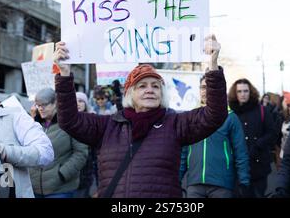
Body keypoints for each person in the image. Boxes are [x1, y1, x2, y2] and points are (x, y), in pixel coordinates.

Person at [53, 34, 227, 198]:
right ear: (130, 93)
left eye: (156, 86)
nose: (150, 90)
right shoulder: (107, 126)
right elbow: (69, 120)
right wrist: (64, 74)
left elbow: (215, 114)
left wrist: (213, 66)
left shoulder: (175, 124)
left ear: (162, 93)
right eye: (142, 86)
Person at [180, 75, 250, 198]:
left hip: (222, 185)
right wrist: (177, 179)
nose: (206, 91)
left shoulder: (230, 117)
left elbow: (241, 153)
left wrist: (244, 182)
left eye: (210, 87)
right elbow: (184, 152)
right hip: (194, 184)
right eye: (203, 87)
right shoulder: (190, 117)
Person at [30, 88, 88, 198]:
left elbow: (81, 153)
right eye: (38, 105)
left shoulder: (71, 122)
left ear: (55, 103)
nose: (40, 108)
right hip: (34, 187)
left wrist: (62, 174)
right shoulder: (34, 124)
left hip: (61, 189)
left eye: (44, 105)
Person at [228, 78, 276, 198]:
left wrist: (258, 144)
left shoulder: (262, 110)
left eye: (245, 91)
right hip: (236, 167)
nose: (243, 94)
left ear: (251, 92)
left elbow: (272, 133)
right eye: (239, 91)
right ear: (235, 93)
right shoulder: (230, 112)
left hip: (258, 166)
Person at [74, 91, 98, 198]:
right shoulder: (66, 121)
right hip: (70, 171)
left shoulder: (92, 121)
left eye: (80, 101)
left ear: (86, 104)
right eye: (75, 101)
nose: (78, 103)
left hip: (86, 170)